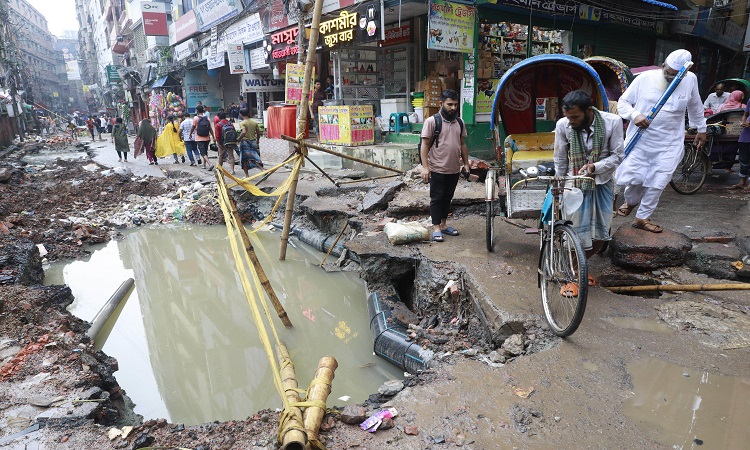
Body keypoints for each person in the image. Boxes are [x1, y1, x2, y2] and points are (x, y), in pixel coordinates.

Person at [615, 49, 706, 233]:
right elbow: (623, 103)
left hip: (669, 142)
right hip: (641, 141)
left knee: (659, 181)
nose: (670, 78)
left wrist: (702, 129)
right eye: (668, 73)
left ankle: (642, 217)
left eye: (675, 76)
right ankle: (631, 202)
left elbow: (695, 106)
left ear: (685, 73)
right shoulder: (644, 78)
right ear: (663, 65)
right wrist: (635, 115)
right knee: (635, 179)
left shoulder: (690, 80)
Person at [553, 90, 624, 291]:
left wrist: (595, 167)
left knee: (601, 237)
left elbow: (618, 156)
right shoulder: (563, 125)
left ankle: (578, 268)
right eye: (568, 117)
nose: (571, 121)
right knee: (574, 233)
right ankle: (574, 274)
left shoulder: (613, 122)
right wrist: (559, 186)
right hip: (574, 183)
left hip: (602, 181)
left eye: (575, 117)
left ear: (589, 111)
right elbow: (559, 158)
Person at [419, 89, 469, 242]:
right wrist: (425, 167)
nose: (453, 108)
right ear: (441, 104)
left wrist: (466, 164)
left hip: (453, 169)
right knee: (437, 197)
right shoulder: (432, 121)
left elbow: (462, 144)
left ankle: (444, 225)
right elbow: (425, 145)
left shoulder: (459, 122)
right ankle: (435, 227)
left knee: (448, 197)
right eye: (449, 104)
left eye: (455, 105)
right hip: (437, 168)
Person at [728, 100, 750, 192]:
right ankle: (742, 182)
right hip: (746, 134)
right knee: (743, 159)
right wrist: (743, 121)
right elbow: (745, 114)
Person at [237, 108, 264, 178]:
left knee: (244, 159)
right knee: (255, 157)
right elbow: (258, 132)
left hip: (245, 142)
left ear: (241, 114)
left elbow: (243, 132)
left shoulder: (242, 123)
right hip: (253, 141)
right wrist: (258, 140)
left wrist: (239, 139)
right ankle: (262, 170)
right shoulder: (254, 122)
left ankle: (247, 175)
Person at [189, 104, 216, 170]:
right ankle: (204, 165)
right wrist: (213, 136)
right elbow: (210, 129)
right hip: (207, 137)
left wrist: (190, 134)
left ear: (197, 111)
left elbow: (193, 127)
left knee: (202, 153)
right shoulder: (207, 118)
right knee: (205, 152)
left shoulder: (196, 118)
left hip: (199, 137)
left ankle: (210, 164)